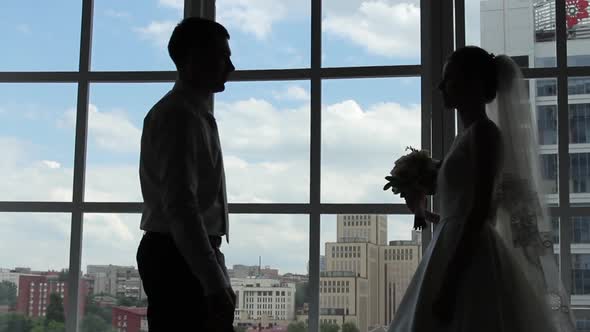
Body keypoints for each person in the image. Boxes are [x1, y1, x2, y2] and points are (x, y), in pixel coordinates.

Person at [388, 46, 574, 331]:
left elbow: (479, 212)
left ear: (472, 83)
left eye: (448, 79)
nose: (440, 86)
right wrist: (424, 213)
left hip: (468, 258)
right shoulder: (466, 137)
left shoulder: (485, 134)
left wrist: (450, 283)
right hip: (456, 247)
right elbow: (458, 215)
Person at [136, 17, 236, 332]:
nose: (230, 66)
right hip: (178, 257)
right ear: (195, 58)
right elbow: (182, 207)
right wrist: (213, 281)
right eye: (223, 56)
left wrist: (215, 274)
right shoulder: (180, 117)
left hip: (178, 253)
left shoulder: (187, 113)